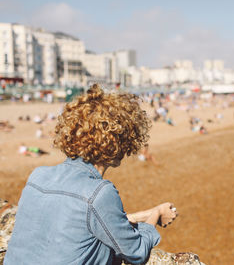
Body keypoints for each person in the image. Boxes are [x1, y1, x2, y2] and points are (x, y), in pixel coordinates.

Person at [5, 84, 178, 265]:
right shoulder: (100, 192)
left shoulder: (37, 176)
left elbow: (84, 222)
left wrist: (144, 215)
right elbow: (137, 252)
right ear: (119, 143)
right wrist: (156, 215)